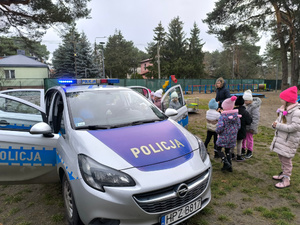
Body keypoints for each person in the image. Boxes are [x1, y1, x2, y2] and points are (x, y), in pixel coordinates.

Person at [270, 86, 300, 189]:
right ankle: (283, 174)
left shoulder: (296, 112)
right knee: (281, 157)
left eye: (282, 99)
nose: (281, 100)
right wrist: (275, 124)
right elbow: (279, 121)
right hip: (282, 139)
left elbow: (295, 127)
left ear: (288, 100)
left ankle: (286, 179)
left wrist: (278, 126)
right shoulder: (283, 109)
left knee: (286, 160)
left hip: (289, 141)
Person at [216, 96, 241, 172]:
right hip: (232, 137)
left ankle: (225, 162)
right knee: (228, 150)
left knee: (218, 149)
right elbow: (238, 126)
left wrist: (217, 131)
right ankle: (229, 166)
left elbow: (220, 127)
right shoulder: (236, 116)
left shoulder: (223, 117)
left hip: (223, 136)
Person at [242, 89, 262, 159]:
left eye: (246, 100)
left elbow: (255, 118)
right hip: (244, 126)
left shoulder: (254, 107)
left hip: (250, 127)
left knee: (249, 139)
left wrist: (252, 128)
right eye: (244, 100)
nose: (245, 102)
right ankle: (243, 149)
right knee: (243, 138)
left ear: (250, 100)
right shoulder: (245, 105)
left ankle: (249, 150)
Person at [233, 96, 252, 162]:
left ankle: (231, 154)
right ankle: (239, 155)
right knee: (239, 142)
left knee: (233, 142)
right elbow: (249, 121)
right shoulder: (245, 112)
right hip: (241, 130)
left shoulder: (233, 111)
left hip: (232, 130)